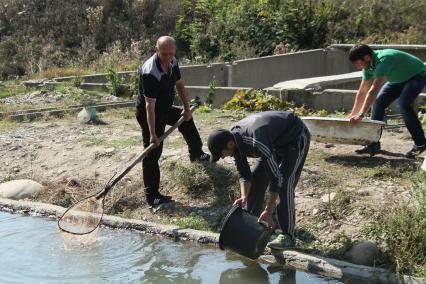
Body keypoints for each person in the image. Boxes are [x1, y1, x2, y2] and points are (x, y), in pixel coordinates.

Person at [207, 111, 310, 250]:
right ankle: (253, 225)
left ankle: (288, 236)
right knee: (257, 179)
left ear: (230, 144)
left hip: (295, 138)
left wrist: (268, 209)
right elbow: (244, 173)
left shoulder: (256, 141)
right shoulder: (233, 139)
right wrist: (244, 196)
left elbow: (276, 178)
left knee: (285, 183)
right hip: (274, 142)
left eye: (221, 154)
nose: (223, 157)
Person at [136, 36, 209, 207]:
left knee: (185, 120)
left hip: (164, 107)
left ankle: (197, 154)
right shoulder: (150, 72)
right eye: (164, 54)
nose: (168, 58)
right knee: (153, 152)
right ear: (157, 50)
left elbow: (180, 85)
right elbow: (149, 105)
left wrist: (186, 109)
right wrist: (153, 134)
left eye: (171, 54)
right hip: (150, 113)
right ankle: (152, 196)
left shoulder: (173, 61)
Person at [348, 44, 426, 158]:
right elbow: (362, 91)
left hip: (417, 75)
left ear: (366, 58)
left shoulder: (384, 59)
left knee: (403, 104)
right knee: (378, 102)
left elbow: (373, 91)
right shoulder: (368, 66)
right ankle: (373, 144)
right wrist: (353, 114)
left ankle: (420, 143)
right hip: (398, 79)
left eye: (357, 63)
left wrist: (361, 114)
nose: (357, 67)